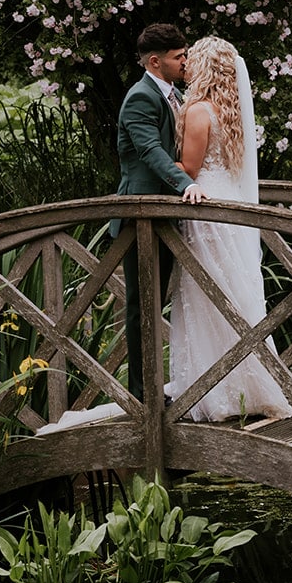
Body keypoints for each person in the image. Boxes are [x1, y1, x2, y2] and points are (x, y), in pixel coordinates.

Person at [167, 37, 292, 421]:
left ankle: (211, 391)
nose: (186, 64)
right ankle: (245, 385)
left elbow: (188, 169)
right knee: (233, 295)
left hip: (204, 210)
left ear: (205, 67)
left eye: (193, 59)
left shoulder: (199, 110)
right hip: (230, 209)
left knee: (205, 297)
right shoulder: (229, 111)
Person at [114, 22, 206, 403]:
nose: (186, 62)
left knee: (158, 303)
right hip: (141, 216)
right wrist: (186, 184)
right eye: (178, 57)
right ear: (155, 61)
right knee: (142, 306)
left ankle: (156, 386)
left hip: (162, 216)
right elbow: (152, 153)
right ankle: (143, 395)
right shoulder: (140, 97)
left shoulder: (174, 94)